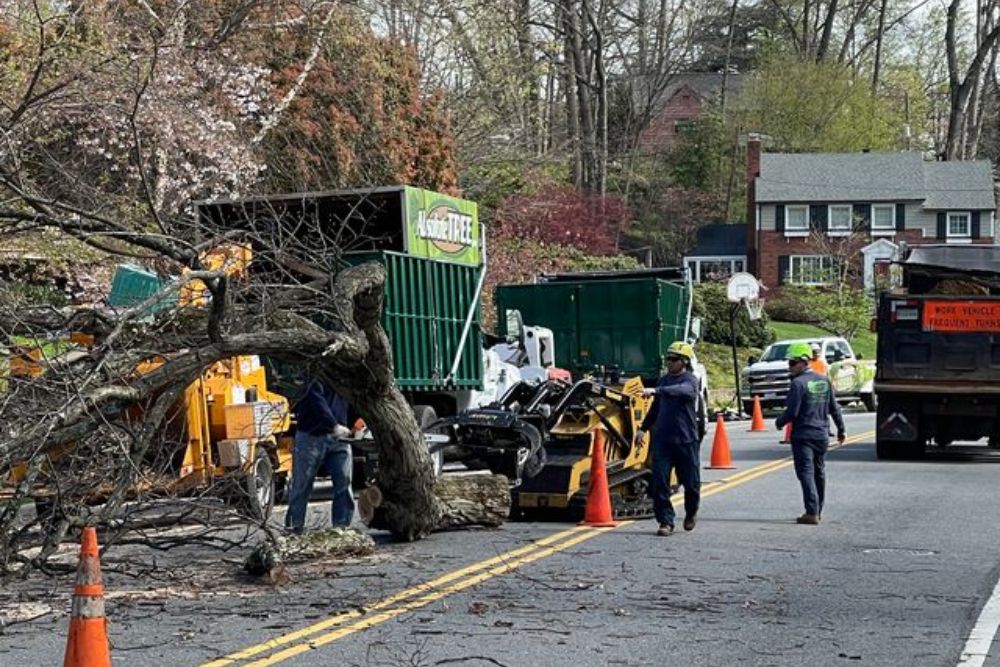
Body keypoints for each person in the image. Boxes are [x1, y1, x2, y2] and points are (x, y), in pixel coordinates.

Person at [775, 342, 845, 525]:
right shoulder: (823, 380)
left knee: (805, 472)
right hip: (821, 434)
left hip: (803, 435)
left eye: (792, 363)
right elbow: (834, 408)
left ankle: (811, 512)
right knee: (819, 472)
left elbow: (792, 412)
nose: (789, 367)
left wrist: (779, 422)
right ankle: (818, 510)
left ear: (803, 362)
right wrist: (841, 429)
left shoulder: (798, 384)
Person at [636, 341, 701, 537]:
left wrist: (658, 391)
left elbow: (685, 391)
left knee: (691, 484)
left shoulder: (690, 380)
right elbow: (656, 408)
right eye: (668, 359)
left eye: (674, 359)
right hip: (663, 441)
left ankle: (691, 512)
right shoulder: (663, 381)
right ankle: (665, 521)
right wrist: (643, 428)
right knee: (660, 482)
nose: (669, 363)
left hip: (686, 441)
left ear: (684, 362)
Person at [285, 376, 354, 533]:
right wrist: (333, 425)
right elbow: (317, 402)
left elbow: (357, 402)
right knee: (302, 485)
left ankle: (341, 527)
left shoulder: (347, 379)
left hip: (339, 438)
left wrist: (358, 421)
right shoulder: (315, 378)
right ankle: (294, 528)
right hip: (311, 436)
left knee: (344, 482)